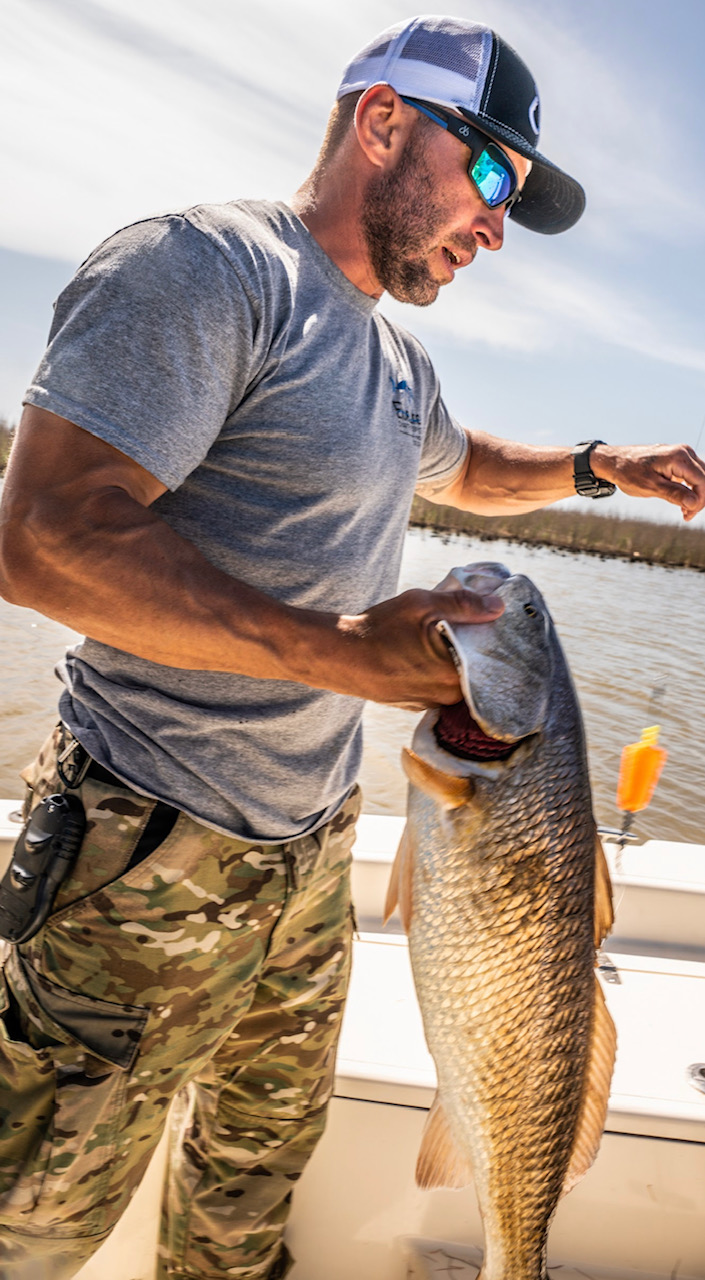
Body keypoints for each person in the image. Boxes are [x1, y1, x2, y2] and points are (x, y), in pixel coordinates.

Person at [0, 14, 703, 1280]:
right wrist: (338, 651)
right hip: (140, 858)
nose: (495, 226)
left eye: (514, 202)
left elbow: (473, 467)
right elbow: (46, 538)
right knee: (28, 1226)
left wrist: (602, 465)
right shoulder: (207, 267)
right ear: (381, 121)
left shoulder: (392, 357)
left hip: (311, 865)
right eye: (490, 173)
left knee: (243, 1212)